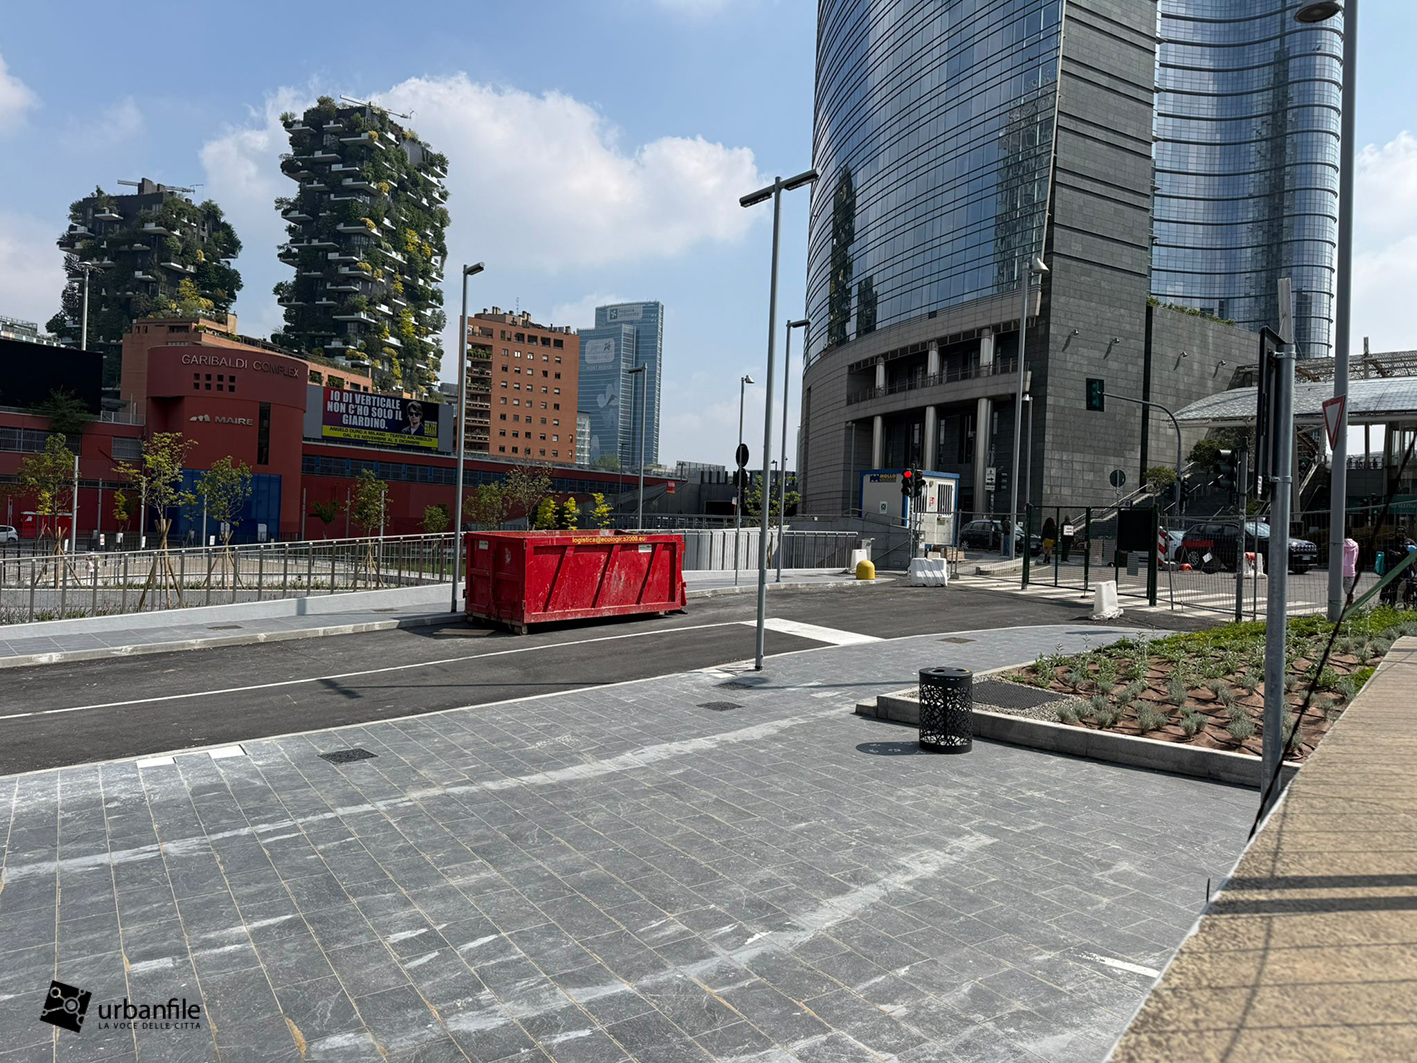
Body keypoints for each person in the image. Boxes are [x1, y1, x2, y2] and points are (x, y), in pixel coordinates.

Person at [1342, 536, 1359, 608]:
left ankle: (1334, 605)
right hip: (1350, 569)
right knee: (1350, 591)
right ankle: (1350, 606)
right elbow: (1355, 558)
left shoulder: (1339, 544)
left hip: (1339, 569)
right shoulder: (1355, 544)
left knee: (1335, 589)